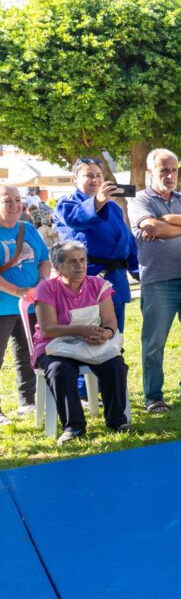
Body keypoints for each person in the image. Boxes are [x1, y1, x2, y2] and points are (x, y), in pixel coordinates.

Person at [129, 149, 181, 413]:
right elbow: (152, 228)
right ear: (150, 172)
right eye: (163, 170)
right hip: (158, 281)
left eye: (173, 169)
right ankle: (153, 396)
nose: (170, 175)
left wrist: (167, 223)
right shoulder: (139, 199)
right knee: (154, 342)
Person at [33, 241, 129, 445]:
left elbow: (111, 322)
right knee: (59, 369)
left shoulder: (97, 285)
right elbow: (49, 329)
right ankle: (73, 426)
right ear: (57, 267)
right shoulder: (47, 288)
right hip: (54, 345)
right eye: (72, 261)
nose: (80, 265)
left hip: (92, 343)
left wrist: (105, 333)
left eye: (82, 260)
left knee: (114, 365)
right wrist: (81, 330)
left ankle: (117, 421)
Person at [55, 157, 139, 329]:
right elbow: (75, 219)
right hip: (87, 281)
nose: (95, 180)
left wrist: (138, 270)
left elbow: (126, 240)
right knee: (89, 337)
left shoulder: (114, 207)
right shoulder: (67, 203)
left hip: (116, 280)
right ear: (75, 179)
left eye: (99, 175)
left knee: (115, 335)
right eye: (89, 175)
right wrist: (97, 202)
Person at [0, 186, 50, 417]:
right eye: (7, 201)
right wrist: (18, 290)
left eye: (17, 200)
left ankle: (27, 401)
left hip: (29, 305)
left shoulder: (27, 228)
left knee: (28, 354)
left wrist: (40, 283)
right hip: (3, 307)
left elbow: (44, 260)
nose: (14, 205)